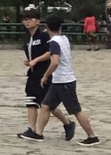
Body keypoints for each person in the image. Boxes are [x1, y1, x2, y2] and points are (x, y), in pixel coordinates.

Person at [35, 14, 101, 145]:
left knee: (76, 110)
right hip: (59, 81)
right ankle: (38, 133)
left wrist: (45, 75)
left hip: (64, 81)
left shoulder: (54, 42)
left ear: (47, 27)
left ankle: (92, 136)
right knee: (46, 105)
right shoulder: (63, 38)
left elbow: (54, 62)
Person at [17, 6, 52, 140]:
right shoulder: (27, 38)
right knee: (31, 101)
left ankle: (67, 123)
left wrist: (36, 60)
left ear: (38, 21)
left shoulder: (43, 35)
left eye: (30, 19)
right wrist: (29, 61)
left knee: (48, 105)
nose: (27, 22)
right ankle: (31, 129)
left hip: (44, 73)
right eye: (25, 19)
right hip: (32, 74)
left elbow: (50, 52)